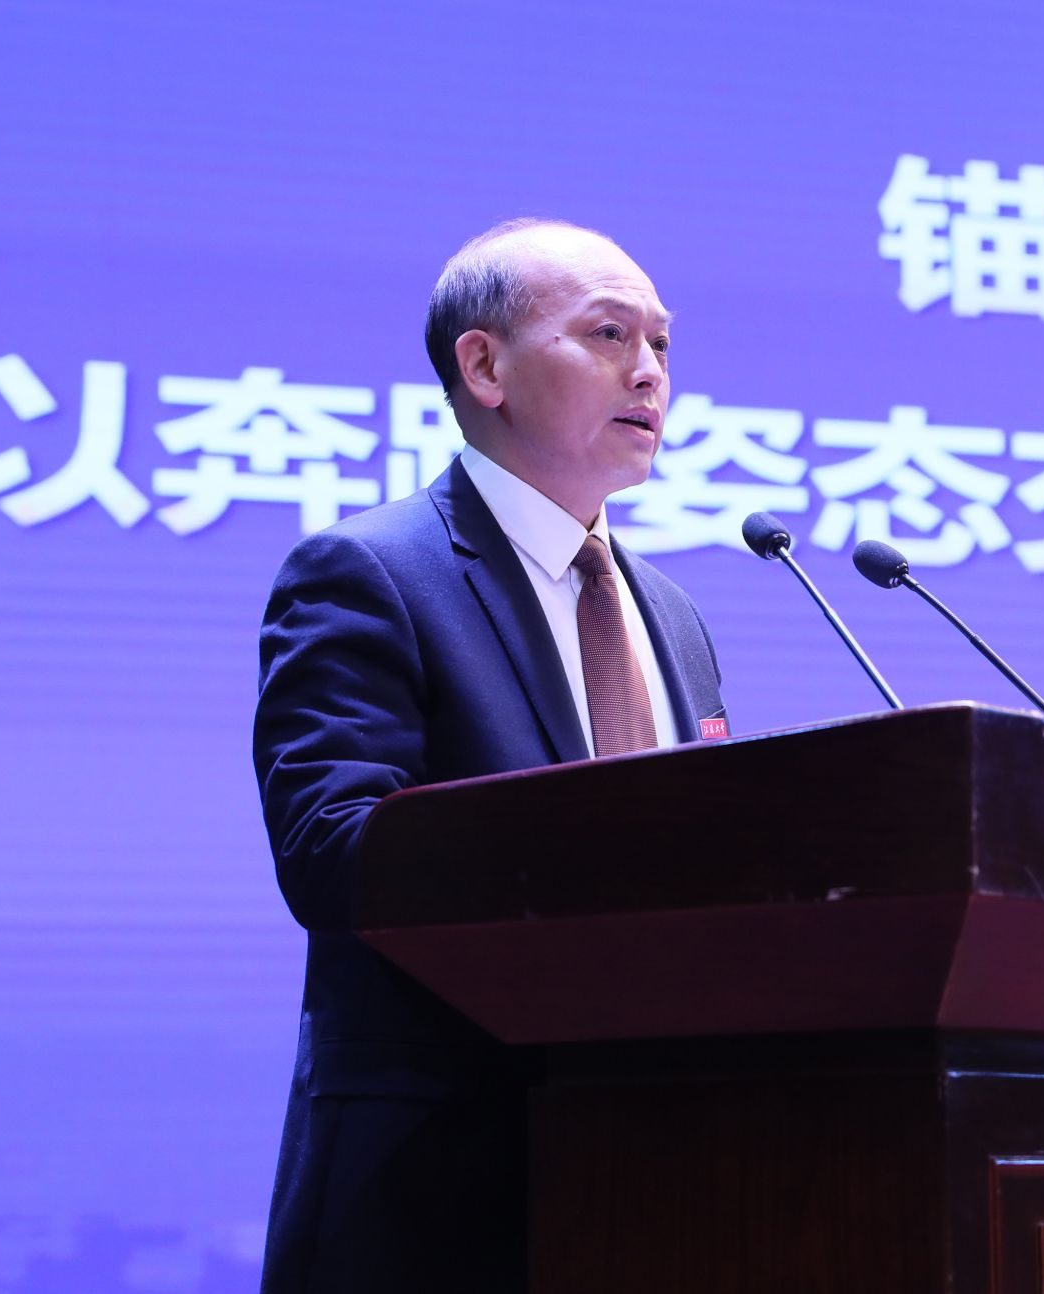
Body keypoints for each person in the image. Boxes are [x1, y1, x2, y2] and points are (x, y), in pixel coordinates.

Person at [251, 218, 727, 1291]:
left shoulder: (672, 614)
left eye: (661, 343)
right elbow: (332, 851)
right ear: (484, 366)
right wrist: (608, 849)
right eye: (608, 334)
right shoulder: (368, 574)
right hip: (433, 1192)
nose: (649, 372)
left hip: (661, 1174)